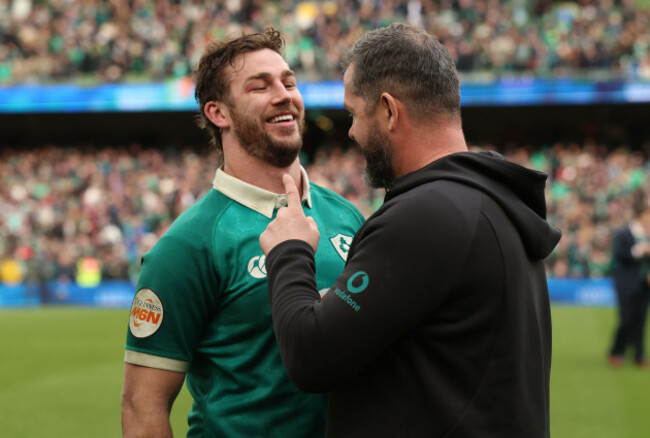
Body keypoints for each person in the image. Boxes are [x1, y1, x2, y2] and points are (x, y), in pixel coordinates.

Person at [260, 23, 562, 438]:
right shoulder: (491, 200)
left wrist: (289, 251)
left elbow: (310, 355)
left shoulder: (426, 215)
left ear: (388, 110)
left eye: (353, 113)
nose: (350, 131)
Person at [121, 28, 365, 438]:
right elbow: (142, 405)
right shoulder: (188, 245)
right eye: (260, 86)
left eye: (289, 82)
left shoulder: (347, 218)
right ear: (219, 113)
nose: (284, 94)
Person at [608, 201, 650, 369]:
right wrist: (640, 250)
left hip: (644, 284)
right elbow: (620, 254)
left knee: (641, 320)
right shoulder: (625, 233)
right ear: (641, 215)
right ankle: (617, 351)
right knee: (626, 319)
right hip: (626, 282)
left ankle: (639, 355)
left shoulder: (647, 234)